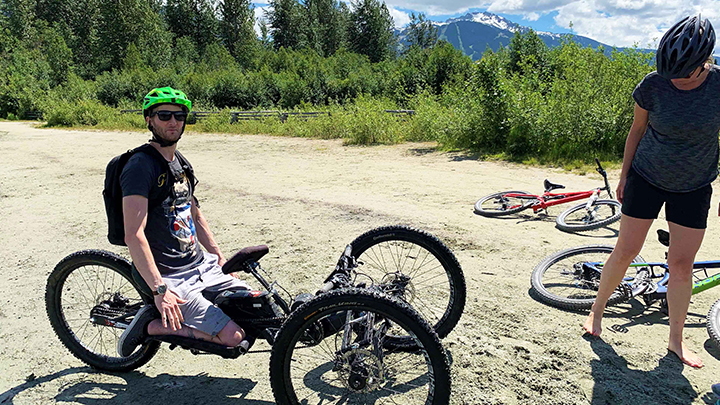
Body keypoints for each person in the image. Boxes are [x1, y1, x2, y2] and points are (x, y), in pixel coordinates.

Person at [582, 15, 719, 368]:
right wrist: (624, 175)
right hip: (647, 175)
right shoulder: (652, 85)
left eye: (684, 73)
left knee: (681, 265)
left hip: (694, 185)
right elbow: (636, 130)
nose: (675, 80)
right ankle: (597, 312)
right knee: (626, 250)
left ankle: (675, 340)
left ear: (703, 61)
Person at [117, 87, 249, 357]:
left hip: (200, 266)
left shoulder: (181, 163)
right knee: (233, 338)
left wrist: (219, 259)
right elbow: (134, 234)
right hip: (170, 276)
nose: (173, 122)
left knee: (254, 308)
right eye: (164, 115)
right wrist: (159, 291)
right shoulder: (140, 166)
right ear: (149, 120)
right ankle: (149, 326)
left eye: (179, 115)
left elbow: (195, 214)